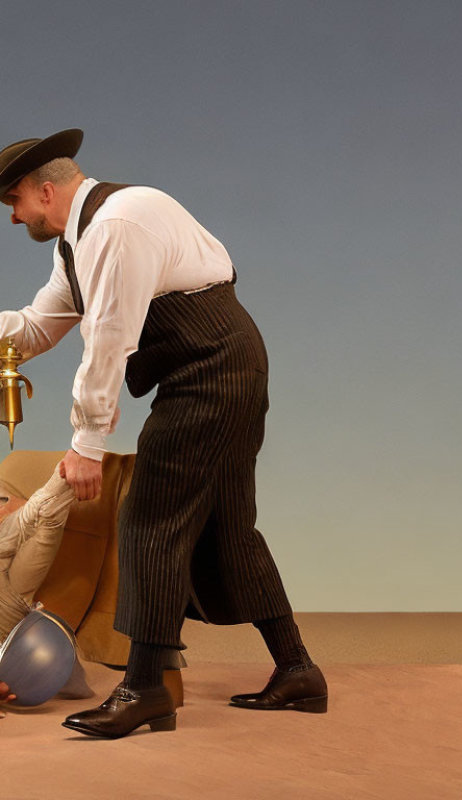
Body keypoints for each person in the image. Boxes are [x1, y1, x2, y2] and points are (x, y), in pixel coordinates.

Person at [0, 129, 326, 738]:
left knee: (148, 520)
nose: (13, 216)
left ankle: (144, 688)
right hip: (220, 368)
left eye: (13, 201)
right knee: (228, 529)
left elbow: (109, 340)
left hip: (210, 373)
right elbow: (40, 326)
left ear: (45, 191)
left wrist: (86, 444)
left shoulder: (116, 226)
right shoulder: (80, 242)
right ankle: (298, 670)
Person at [0, 467, 94, 717]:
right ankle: (82, 451)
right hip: (9, 612)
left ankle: (80, 454)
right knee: (49, 517)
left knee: (42, 513)